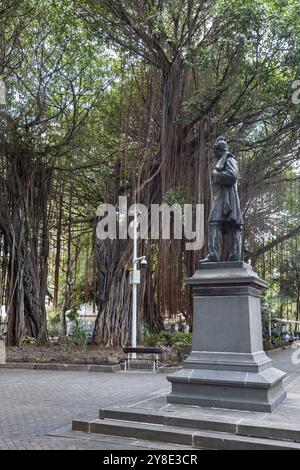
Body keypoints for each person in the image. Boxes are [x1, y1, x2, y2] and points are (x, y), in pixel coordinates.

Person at [201, 136, 244, 262]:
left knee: (216, 222)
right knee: (231, 225)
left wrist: (216, 175)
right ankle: (227, 255)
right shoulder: (224, 159)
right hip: (223, 195)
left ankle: (217, 255)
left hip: (227, 197)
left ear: (221, 150)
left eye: (215, 151)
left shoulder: (229, 158)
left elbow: (233, 176)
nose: (214, 154)